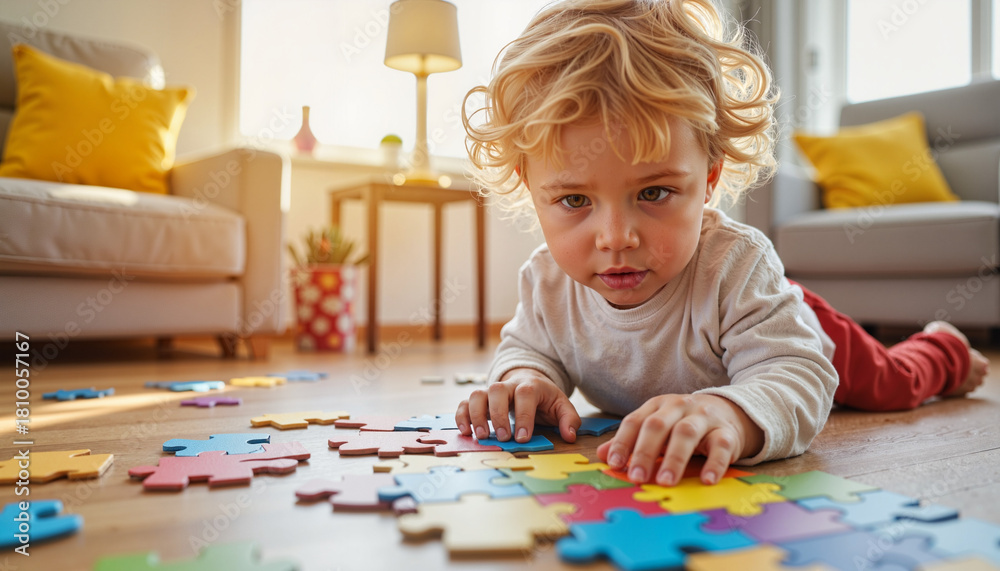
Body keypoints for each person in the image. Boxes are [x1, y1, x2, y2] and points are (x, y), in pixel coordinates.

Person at [454, 0, 988, 487]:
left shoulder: (738, 264)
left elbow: (797, 374)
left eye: (655, 191)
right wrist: (526, 379)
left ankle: (943, 350)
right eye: (574, 200)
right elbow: (528, 348)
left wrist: (731, 413)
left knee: (891, 384)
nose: (616, 238)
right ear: (529, 184)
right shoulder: (545, 279)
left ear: (710, 176)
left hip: (781, 323)